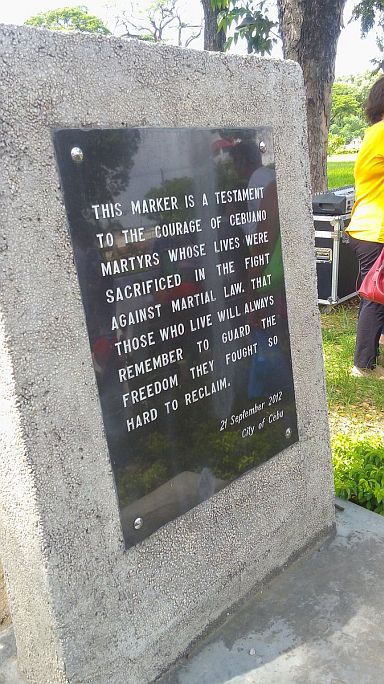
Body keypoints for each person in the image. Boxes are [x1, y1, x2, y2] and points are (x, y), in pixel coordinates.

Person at [346, 76, 384, 379]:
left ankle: (369, 359)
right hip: (375, 229)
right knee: (377, 297)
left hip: (366, 228)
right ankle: (363, 366)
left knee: (375, 295)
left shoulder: (375, 131)